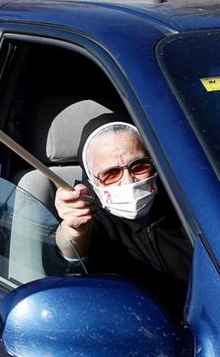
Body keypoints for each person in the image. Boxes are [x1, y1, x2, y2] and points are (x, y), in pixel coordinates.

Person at [53, 118, 193, 315]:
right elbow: (71, 252)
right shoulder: (93, 221)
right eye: (111, 174)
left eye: (139, 166)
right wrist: (73, 230)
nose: (128, 181)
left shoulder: (183, 205)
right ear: (93, 181)